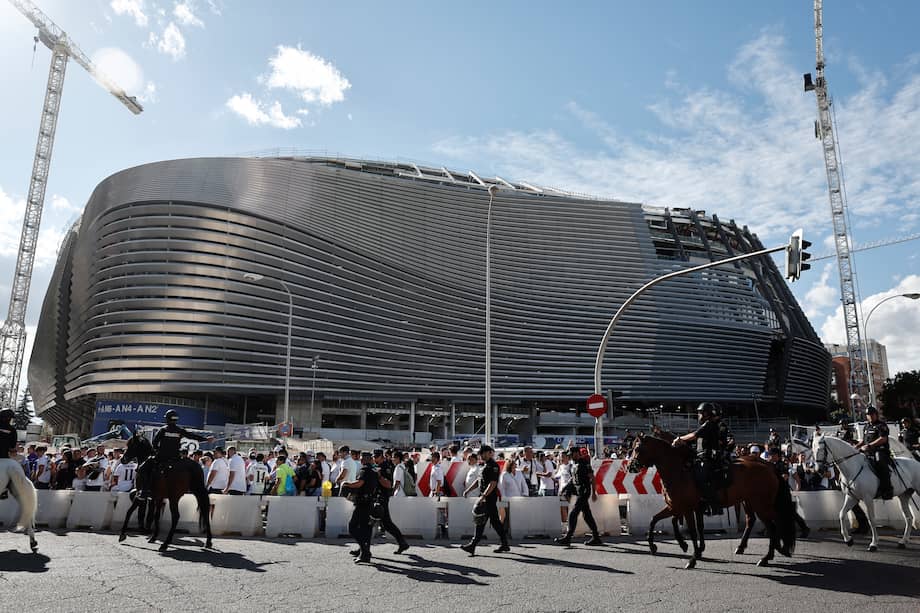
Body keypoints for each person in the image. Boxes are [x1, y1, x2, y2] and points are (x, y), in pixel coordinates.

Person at [137, 410, 212, 499]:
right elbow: (192, 436)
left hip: (162, 457)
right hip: (176, 458)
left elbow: (154, 443)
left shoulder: (163, 430)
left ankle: (145, 491)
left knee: (142, 468)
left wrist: (157, 450)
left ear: (167, 419)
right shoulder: (179, 430)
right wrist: (206, 439)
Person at [672, 402, 727, 514]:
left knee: (700, 478)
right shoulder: (706, 425)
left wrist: (679, 439)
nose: (698, 416)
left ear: (706, 414)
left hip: (710, 458)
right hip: (701, 457)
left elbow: (693, 435)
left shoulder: (709, 424)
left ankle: (715, 505)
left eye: (700, 413)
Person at [460, 445, 510, 556]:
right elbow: (479, 481)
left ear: (488, 453)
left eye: (483, 453)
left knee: (480, 520)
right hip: (485, 497)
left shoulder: (493, 466)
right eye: (481, 454)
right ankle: (504, 543)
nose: (481, 456)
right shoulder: (483, 466)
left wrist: (483, 496)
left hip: (489, 498)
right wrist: (468, 490)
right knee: (493, 521)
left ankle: (473, 545)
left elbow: (493, 483)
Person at [553, 448, 603, 546]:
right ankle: (596, 537)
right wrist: (566, 489)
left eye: (571, 454)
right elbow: (573, 479)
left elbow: (592, 478)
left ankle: (568, 537)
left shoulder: (584, 463)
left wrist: (593, 493)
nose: (569, 456)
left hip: (584, 491)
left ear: (576, 453)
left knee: (573, 513)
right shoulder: (573, 465)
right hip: (579, 492)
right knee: (587, 515)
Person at [370, 448, 409, 555]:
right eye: (373, 457)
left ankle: (363, 550)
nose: (375, 459)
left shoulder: (386, 467)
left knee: (372, 524)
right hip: (376, 498)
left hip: (381, 499)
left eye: (376, 457)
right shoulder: (376, 467)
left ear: (382, 457)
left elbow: (388, 484)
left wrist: (379, 476)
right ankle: (402, 543)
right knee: (385, 524)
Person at [343, 451, 379, 564]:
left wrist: (347, 484)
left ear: (366, 459)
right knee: (365, 529)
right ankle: (365, 553)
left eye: (362, 458)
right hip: (370, 502)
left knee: (352, 527)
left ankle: (364, 551)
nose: (361, 460)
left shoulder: (365, 470)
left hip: (363, 503)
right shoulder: (374, 471)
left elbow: (359, 483)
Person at [857, 406, 893, 499]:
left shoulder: (881, 425)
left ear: (876, 415)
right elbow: (864, 440)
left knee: (879, 461)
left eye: (872, 414)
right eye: (869, 415)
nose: (871, 416)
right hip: (868, 452)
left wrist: (869, 446)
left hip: (880, 450)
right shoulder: (866, 426)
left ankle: (887, 489)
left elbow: (883, 439)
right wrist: (856, 446)